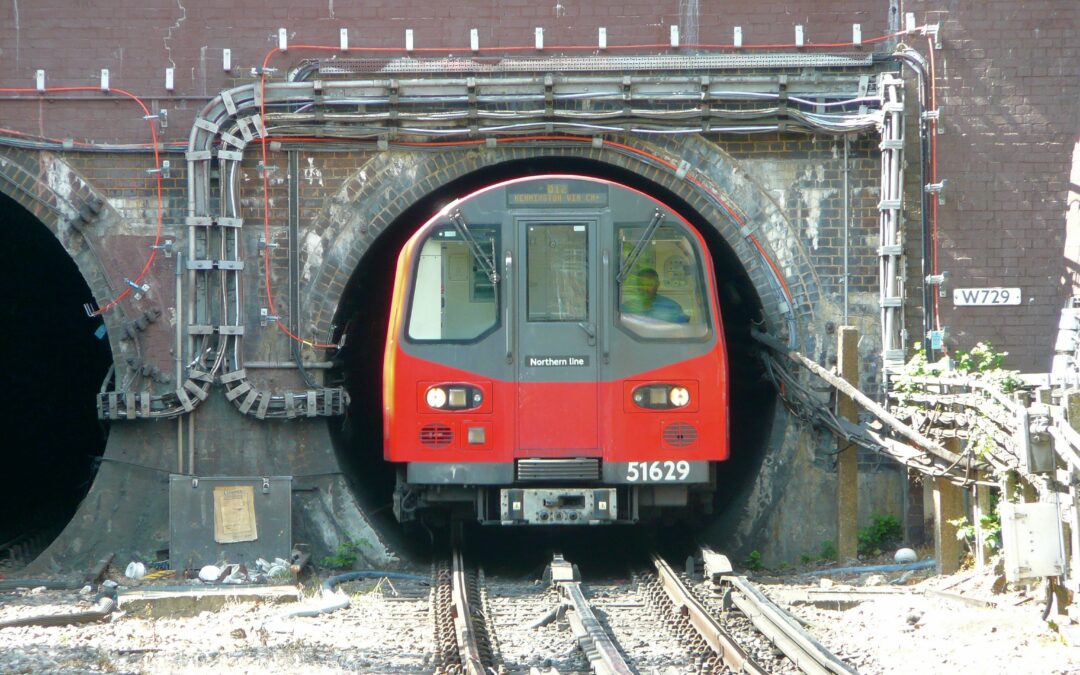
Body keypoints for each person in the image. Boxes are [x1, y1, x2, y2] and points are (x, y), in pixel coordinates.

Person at [621, 268, 688, 323]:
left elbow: (681, 332)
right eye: (641, 284)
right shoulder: (626, 308)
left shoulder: (672, 307)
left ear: (657, 284)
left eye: (649, 284)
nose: (645, 288)